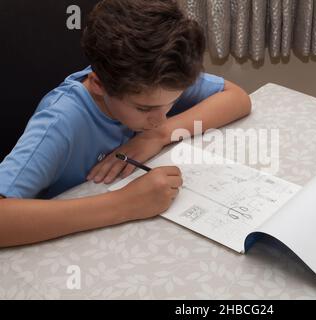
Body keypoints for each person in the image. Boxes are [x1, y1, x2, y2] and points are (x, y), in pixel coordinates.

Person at [0, 0, 251, 247]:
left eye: (173, 102)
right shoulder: (60, 122)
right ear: (99, 86)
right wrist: (124, 205)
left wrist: (158, 135)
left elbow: (237, 98)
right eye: (145, 109)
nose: (159, 118)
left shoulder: (158, 77)